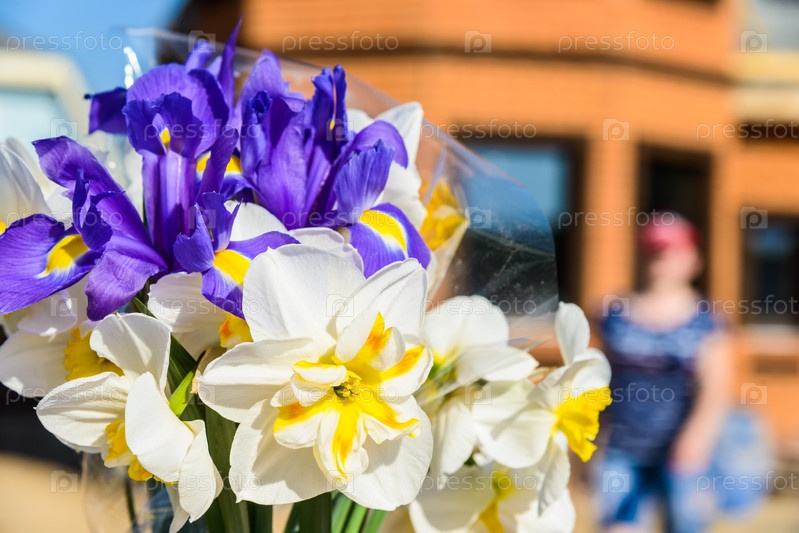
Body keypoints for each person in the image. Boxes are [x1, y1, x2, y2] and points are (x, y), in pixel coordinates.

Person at [596, 212, 732, 533]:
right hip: (620, 448)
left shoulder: (708, 320)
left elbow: (715, 391)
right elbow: (596, 381)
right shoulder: (611, 313)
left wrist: (695, 440)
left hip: (682, 450)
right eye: (654, 249)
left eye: (672, 250)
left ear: (693, 259)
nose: (662, 258)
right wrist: (591, 444)